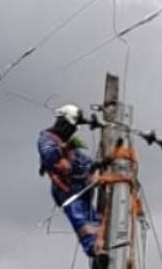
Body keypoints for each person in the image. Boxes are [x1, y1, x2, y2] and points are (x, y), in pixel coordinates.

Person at [38, 104, 110, 269]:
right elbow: (50, 157)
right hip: (66, 189)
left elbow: (81, 161)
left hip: (81, 186)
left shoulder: (67, 145)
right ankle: (94, 251)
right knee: (81, 220)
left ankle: (101, 249)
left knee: (95, 220)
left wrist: (94, 165)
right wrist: (64, 149)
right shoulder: (47, 138)